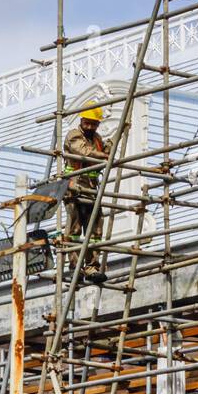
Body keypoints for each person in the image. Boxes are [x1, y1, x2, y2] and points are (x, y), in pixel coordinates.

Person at [62, 103, 112, 284]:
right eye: (88, 123)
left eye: (94, 124)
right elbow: (83, 152)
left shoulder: (97, 139)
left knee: (95, 230)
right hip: (74, 189)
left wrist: (116, 138)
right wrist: (103, 155)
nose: (90, 127)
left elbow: (106, 152)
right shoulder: (73, 135)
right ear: (82, 121)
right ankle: (75, 267)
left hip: (91, 190)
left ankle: (92, 267)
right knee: (74, 230)